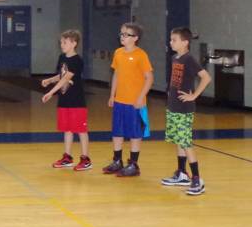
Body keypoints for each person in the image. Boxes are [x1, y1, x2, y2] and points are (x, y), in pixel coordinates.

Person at [160, 27, 211, 195]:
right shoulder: (176, 58)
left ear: (185, 42)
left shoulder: (189, 59)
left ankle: (197, 179)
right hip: (173, 106)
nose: (171, 42)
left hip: (184, 109)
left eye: (174, 40)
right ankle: (182, 173)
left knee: (186, 142)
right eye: (170, 39)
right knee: (178, 141)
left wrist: (194, 95)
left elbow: (206, 77)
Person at [103, 23, 154, 177]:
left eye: (126, 34)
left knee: (134, 133)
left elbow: (149, 78)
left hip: (135, 103)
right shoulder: (118, 53)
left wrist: (140, 98)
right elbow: (116, 74)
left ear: (135, 38)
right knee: (117, 132)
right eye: (121, 33)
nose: (122, 37)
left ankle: (133, 164)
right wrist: (112, 95)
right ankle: (117, 161)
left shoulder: (141, 55)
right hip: (120, 100)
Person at [41, 30, 91, 171]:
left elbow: (66, 78)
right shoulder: (62, 57)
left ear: (74, 43)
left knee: (81, 130)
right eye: (61, 42)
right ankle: (67, 157)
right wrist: (49, 80)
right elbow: (60, 75)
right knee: (67, 129)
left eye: (65, 42)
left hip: (77, 101)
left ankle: (86, 159)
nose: (62, 45)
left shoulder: (77, 61)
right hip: (65, 100)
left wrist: (50, 92)